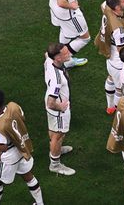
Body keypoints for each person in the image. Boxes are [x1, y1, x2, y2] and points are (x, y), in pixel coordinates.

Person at [0, 89, 44, 205]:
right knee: (28, 176)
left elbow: (3, 148)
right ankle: (40, 203)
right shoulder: (13, 106)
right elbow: (22, 118)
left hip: (9, 156)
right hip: (23, 148)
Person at [94, 0, 124, 115]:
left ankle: (110, 106)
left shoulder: (107, 8)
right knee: (119, 88)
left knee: (110, 78)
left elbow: (103, 5)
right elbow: (122, 50)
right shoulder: (119, 30)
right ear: (117, 8)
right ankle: (118, 111)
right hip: (118, 62)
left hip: (110, 58)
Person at [41, 0, 90, 68]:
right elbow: (61, 2)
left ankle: (61, 56)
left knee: (64, 30)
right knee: (84, 38)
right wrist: (72, 6)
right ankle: (58, 59)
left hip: (53, 6)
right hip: (68, 13)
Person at [44, 43, 75, 175]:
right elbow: (51, 103)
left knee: (54, 132)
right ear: (57, 58)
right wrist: (61, 107)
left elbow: (46, 54)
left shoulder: (49, 60)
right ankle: (55, 165)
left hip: (54, 110)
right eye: (65, 53)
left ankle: (55, 149)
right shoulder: (57, 79)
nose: (69, 54)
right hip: (58, 111)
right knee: (58, 135)